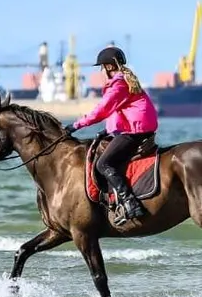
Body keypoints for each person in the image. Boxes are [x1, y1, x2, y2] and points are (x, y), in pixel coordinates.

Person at [65, 46, 159, 225]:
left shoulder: (119, 84)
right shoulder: (125, 80)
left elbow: (102, 110)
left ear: (108, 67)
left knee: (103, 163)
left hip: (135, 132)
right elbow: (118, 113)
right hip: (135, 128)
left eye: (101, 67)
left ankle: (130, 203)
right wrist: (107, 131)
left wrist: (76, 125)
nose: (101, 71)